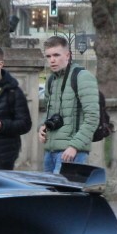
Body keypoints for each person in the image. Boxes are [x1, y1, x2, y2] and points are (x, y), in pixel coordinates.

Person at [39, 34, 100, 173]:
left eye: (56, 55)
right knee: (50, 193)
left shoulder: (82, 77)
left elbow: (92, 117)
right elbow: (49, 112)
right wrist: (42, 127)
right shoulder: (51, 80)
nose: (52, 60)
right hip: (50, 151)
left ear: (68, 55)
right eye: (48, 56)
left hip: (72, 152)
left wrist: (74, 146)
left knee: (64, 194)